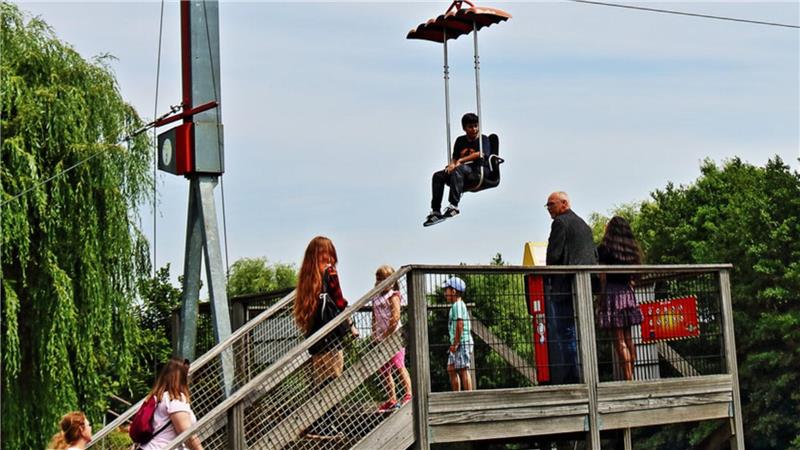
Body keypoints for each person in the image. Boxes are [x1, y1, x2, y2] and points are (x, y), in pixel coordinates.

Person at [293, 236, 351, 437]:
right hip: (331, 337)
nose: (331, 259)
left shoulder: (308, 280)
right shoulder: (330, 274)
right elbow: (339, 300)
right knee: (334, 382)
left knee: (320, 383)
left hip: (316, 340)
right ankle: (327, 426)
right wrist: (349, 321)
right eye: (329, 254)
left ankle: (317, 424)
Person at [544, 191, 597, 384]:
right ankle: (589, 374)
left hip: (565, 287)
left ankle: (573, 376)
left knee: (566, 331)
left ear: (564, 204)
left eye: (551, 204)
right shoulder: (584, 225)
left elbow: (554, 255)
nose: (549, 209)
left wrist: (550, 278)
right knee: (584, 331)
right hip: (585, 286)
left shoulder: (560, 223)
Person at [596, 216, 645, 381]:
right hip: (627, 292)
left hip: (612, 293)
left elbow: (602, 276)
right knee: (629, 336)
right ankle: (632, 373)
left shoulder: (605, 249)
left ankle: (628, 377)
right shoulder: (630, 249)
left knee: (619, 339)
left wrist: (601, 297)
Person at [424, 113, 493, 226]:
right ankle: (436, 211)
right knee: (438, 175)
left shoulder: (483, 139)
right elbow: (455, 157)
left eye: (476, 126)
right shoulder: (460, 140)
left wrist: (460, 161)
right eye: (470, 127)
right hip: (460, 173)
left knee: (458, 169)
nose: (474, 129)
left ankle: (453, 206)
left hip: (477, 172)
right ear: (464, 128)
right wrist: (451, 164)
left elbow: (480, 153)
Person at [371, 264, 413, 412]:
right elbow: (374, 315)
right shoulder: (375, 297)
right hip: (381, 338)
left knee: (399, 365)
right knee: (384, 370)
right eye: (378, 279)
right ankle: (392, 398)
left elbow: (395, 316)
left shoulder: (393, 295)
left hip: (394, 336)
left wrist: (388, 333)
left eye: (383, 279)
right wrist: (374, 332)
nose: (380, 282)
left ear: (391, 281)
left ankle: (409, 394)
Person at [140, 357, 203, 450]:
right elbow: (187, 435)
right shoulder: (175, 399)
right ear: (181, 377)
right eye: (187, 374)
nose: (189, 378)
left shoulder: (159, 397)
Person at [444, 277, 474, 391]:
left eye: (446, 290)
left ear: (453, 291)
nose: (445, 293)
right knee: (451, 368)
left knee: (463, 369)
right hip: (456, 343)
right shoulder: (454, 306)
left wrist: (456, 343)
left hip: (462, 342)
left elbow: (460, 324)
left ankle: (469, 398)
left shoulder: (458, 305)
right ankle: (457, 396)